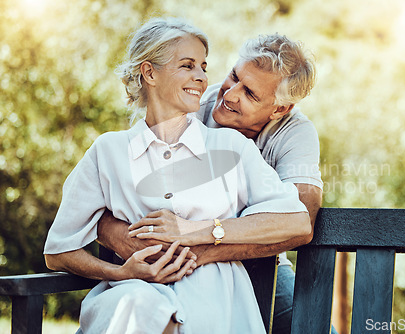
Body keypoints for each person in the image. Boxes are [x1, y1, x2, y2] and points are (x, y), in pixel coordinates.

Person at [43, 17, 311, 334]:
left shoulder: (232, 146)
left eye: (203, 66)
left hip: (217, 303)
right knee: (140, 305)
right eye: (187, 66)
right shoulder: (108, 150)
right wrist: (121, 273)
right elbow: (58, 251)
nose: (202, 77)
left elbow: (297, 221)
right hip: (135, 296)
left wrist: (195, 230)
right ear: (149, 72)